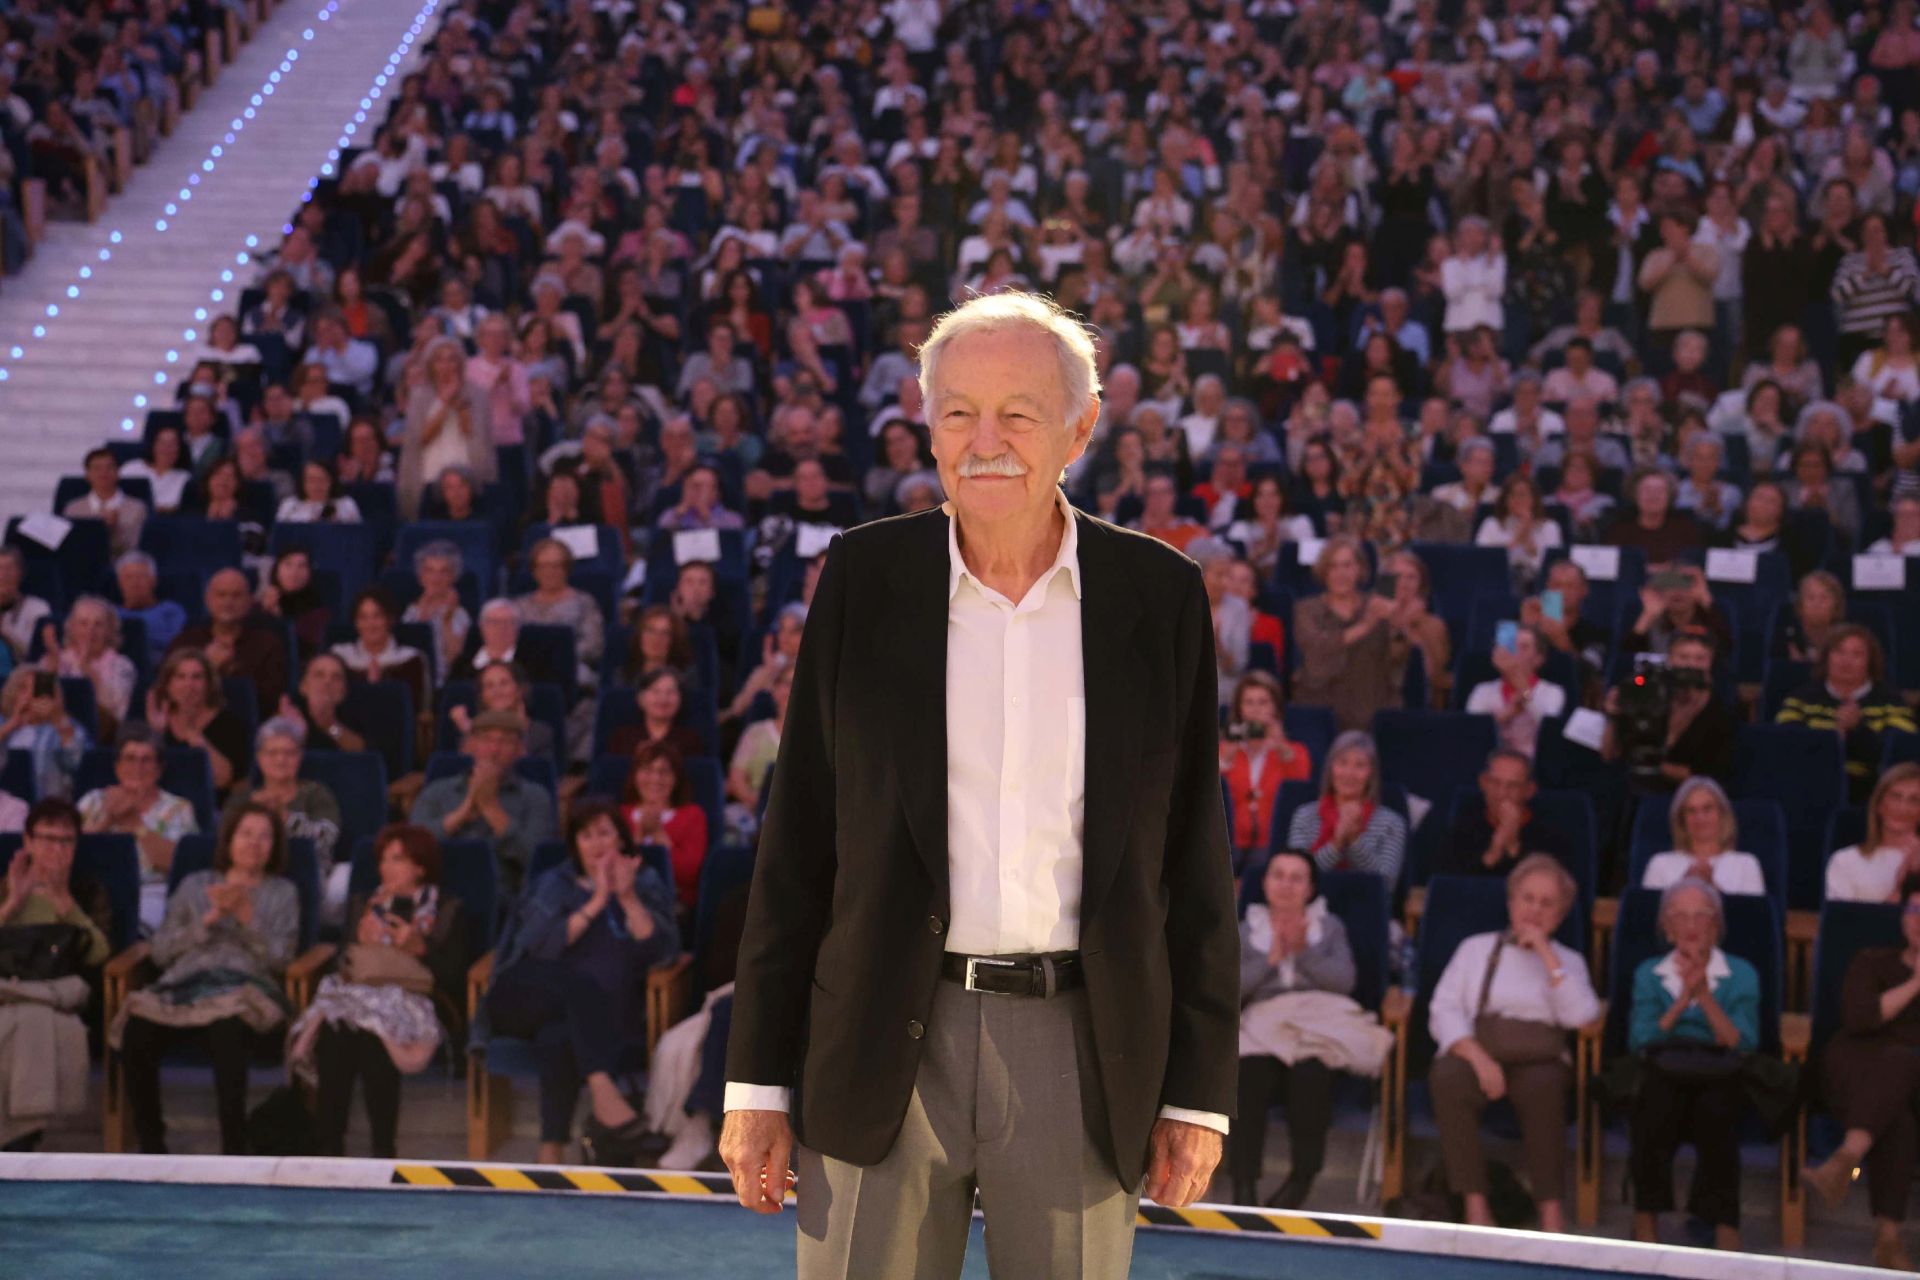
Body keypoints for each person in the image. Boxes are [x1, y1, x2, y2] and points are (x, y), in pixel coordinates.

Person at [722, 293, 1236, 1274]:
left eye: (1019, 412)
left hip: (1082, 1049)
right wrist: (757, 1081)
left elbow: (1193, 860)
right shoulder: (864, 577)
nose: (984, 441)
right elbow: (799, 842)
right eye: (959, 411)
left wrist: (1196, 1092)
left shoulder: (1158, 596)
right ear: (926, 422)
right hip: (877, 1037)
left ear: (1081, 427)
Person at [480, 801, 679, 1165]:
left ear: (622, 838)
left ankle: (550, 1149)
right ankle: (605, 1095)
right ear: (575, 844)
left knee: (557, 1035)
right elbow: (536, 948)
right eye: (586, 835)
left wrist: (625, 896)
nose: (596, 843)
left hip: (592, 1019)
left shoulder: (643, 882)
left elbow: (660, 951)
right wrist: (598, 899)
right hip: (522, 997)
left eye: (604, 832)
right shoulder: (553, 884)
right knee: (577, 984)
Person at [111, 802, 300, 1155]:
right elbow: (161, 952)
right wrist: (207, 921)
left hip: (241, 991)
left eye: (265, 837)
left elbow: (281, 959)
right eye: (246, 834)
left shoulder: (282, 892)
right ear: (229, 840)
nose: (254, 844)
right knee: (136, 1030)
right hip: (183, 988)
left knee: (227, 1031)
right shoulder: (195, 885)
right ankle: (152, 1147)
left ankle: (233, 1152)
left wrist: (247, 919)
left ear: (275, 846)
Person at [1428, 856, 1600, 1231]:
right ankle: (1476, 1206)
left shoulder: (1568, 961)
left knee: (1544, 1088)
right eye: (1527, 899)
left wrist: (1545, 954)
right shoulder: (1475, 949)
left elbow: (1582, 1017)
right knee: (1447, 1076)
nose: (1534, 910)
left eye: (1546, 903)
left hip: (1540, 1058)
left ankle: (1550, 1213)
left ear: (1560, 913)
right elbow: (1443, 1008)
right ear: (1511, 904)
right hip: (1481, 1050)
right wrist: (1476, 1057)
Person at [290, 823, 466, 1160]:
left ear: (420, 866)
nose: (386, 868)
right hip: (363, 995)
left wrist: (420, 948)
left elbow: (454, 977)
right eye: (383, 860)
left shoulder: (446, 909)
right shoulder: (363, 903)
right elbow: (341, 964)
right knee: (336, 1028)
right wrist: (359, 942)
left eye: (397, 859)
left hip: (419, 1000)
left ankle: (383, 1150)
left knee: (376, 1032)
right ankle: (330, 1148)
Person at [1232, 848, 1386, 1209]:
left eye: (1296, 877)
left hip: (1317, 1022)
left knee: (1311, 1078)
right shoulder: (1244, 928)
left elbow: (1345, 982)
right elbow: (1230, 988)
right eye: (1278, 875)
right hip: (1263, 1023)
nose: (1285, 885)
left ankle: (1302, 1179)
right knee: (1247, 1079)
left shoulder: (1329, 927)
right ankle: (1242, 1186)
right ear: (1266, 882)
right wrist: (1270, 960)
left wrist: (1303, 951)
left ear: (1311, 888)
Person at [1627, 878, 1762, 1251]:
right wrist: (1680, 1000)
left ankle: (1724, 1227)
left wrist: (1703, 996)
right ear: (1667, 927)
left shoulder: (1741, 973)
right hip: (1662, 1066)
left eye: (1701, 914)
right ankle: (1645, 1221)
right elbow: (1640, 1040)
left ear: (1716, 925)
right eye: (1680, 915)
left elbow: (1743, 1042)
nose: (1691, 924)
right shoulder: (1648, 973)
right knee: (1654, 1103)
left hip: (1722, 1068)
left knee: (1717, 1106)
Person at [1804, 871, 1920, 1271]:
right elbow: (1860, 1019)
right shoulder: (1872, 960)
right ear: (1904, 916)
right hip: (1852, 1072)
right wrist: (1917, 982)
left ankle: (1844, 1162)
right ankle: (1888, 1238)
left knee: (1903, 1065)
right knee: (1898, 1119)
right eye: (1916, 909)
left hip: (1909, 1080)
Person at [0, 798, 112, 1149]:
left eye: (66, 841)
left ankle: (17, 1145)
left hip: (59, 997)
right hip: (7, 990)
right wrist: (12, 904)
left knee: (33, 1020)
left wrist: (66, 905)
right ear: (28, 842)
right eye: (47, 839)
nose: (56, 849)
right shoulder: (5, 886)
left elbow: (101, 955)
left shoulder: (87, 890)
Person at [409, 710, 556, 895]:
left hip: (504, 895)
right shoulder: (438, 790)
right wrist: (461, 814)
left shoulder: (535, 796)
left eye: (505, 742)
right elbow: (412, 848)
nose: (494, 749)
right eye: (486, 740)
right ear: (470, 746)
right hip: (440, 892)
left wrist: (491, 808)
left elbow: (538, 859)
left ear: (519, 750)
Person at [1776, 624, 1916, 805]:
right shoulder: (1800, 698)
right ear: (1826, 658)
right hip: (1808, 789)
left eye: (1856, 654)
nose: (1846, 661)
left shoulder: (1892, 702)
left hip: (1872, 793)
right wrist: (1833, 740)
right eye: (1839, 652)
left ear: (1870, 662)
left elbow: (1899, 757)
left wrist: (1857, 730)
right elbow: (1785, 748)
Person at [77, 724, 198, 933]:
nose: (138, 767)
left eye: (146, 759)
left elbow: (180, 864)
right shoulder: (92, 801)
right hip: (93, 892)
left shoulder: (179, 808)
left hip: (151, 893)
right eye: (130, 758)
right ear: (117, 766)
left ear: (159, 768)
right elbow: (69, 852)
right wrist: (106, 821)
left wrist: (133, 823)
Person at [221, 718, 344, 916]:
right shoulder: (242, 799)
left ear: (300, 757)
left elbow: (327, 838)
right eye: (272, 753)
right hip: (247, 874)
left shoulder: (316, 794)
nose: (281, 760)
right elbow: (224, 841)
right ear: (259, 758)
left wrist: (286, 818)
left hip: (306, 875)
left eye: (289, 753)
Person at [1291, 535, 1408, 732]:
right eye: (1333, 566)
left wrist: (1397, 626)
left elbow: (1396, 658)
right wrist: (1365, 625)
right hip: (1321, 713)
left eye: (1347, 565)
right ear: (1324, 571)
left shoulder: (1377, 604)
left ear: (1360, 569)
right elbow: (1317, 648)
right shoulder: (1306, 609)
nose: (1340, 574)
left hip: (1371, 711)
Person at [1602, 630, 1737, 792]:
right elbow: (1610, 755)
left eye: (1700, 658)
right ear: (1670, 660)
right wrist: (1612, 717)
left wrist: (1654, 764)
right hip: (1636, 787)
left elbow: (1711, 776)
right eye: (1683, 657)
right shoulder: (1649, 694)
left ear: (1710, 662)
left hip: (1692, 795)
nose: (1691, 665)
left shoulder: (1721, 710)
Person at [1283, 730, 1407, 885]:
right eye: (1342, 763)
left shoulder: (1392, 823)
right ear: (1331, 769)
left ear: (1371, 774)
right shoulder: (1305, 815)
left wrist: (1355, 841)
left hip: (1365, 906)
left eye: (1360, 765)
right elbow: (1296, 877)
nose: (1349, 773)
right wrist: (1336, 845)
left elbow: (1386, 884)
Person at [1219, 671, 1313, 864]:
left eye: (1263, 702)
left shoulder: (1294, 752)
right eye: (1249, 702)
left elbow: (1299, 793)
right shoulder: (1223, 750)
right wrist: (1225, 760)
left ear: (1276, 708)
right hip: (1228, 842)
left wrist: (1281, 748)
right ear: (1239, 708)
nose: (1255, 709)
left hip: (1274, 844)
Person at [397, 335, 495, 520]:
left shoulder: (478, 394)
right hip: (430, 476)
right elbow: (421, 438)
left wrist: (460, 403)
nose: (446, 365)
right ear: (430, 365)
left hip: (465, 478)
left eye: (452, 359)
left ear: (460, 363)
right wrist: (445, 402)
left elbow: (474, 435)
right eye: (439, 359)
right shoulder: (419, 397)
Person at [1437, 749, 1573, 880]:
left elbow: (1548, 890)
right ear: (1483, 783)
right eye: (1495, 783)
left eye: (1513, 786)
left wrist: (1513, 845)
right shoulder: (1461, 831)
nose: (1502, 794)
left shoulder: (1552, 836)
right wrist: (1494, 851)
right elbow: (1452, 889)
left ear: (1529, 790)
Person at [167, 568, 290, 711]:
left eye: (236, 596)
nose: (228, 602)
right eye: (221, 595)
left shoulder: (268, 644)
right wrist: (209, 667)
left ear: (249, 602)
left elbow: (271, 700)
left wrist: (230, 671)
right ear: (207, 600)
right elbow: (167, 691)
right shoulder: (185, 641)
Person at [620, 742, 710, 920]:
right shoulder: (621, 815)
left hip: (674, 904)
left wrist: (657, 834)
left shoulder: (693, 815)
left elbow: (689, 874)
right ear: (635, 776)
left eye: (664, 772)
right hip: (623, 900)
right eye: (647, 770)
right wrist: (639, 834)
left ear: (676, 779)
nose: (655, 779)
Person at [145, 648, 249, 795]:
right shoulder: (155, 720)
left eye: (197, 677)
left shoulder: (229, 723)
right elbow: (142, 776)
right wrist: (156, 734)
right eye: (180, 677)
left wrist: (192, 734)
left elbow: (222, 780)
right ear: (168, 685)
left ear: (208, 684)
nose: (189, 685)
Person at [1641, 778, 1768, 897]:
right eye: (1691, 811)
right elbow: (1648, 917)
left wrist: (1712, 889)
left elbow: (1753, 918)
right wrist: (1683, 887)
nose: (1700, 818)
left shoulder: (1746, 864)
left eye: (1707, 809)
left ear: (1722, 815)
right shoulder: (1660, 864)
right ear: (1682, 821)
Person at [1463, 624, 1567, 760]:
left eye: (1524, 647)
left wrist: (1524, 691)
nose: (1514, 652)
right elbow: (1471, 734)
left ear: (1539, 659)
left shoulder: (1553, 692)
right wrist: (1506, 714)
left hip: (1534, 765)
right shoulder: (1482, 690)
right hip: (1489, 762)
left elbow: (1548, 732)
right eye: (1510, 646)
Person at [515, 538, 604, 693]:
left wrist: (559, 656)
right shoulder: (519, 606)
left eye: (556, 565)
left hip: (572, 667)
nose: (549, 572)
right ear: (534, 570)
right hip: (526, 670)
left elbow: (594, 645)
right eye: (543, 566)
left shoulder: (584, 602)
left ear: (567, 568)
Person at [1826, 764, 1920, 903]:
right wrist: (1906, 882)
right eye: (1895, 797)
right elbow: (1845, 923)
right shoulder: (1845, 861)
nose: (1902, 808)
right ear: (1879, 804)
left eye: (1914, 800)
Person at [330, 588, 430, 716]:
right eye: (363, 617)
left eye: (377, 616)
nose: (370, 624)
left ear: (389, 620)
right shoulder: (339, 657)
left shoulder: (412, 659)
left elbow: (418, 710)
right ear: (356, 623)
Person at [47, 595, 137, 734]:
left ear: (109, 631)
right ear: (72, 628)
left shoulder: (122, 666)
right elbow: (38, 708)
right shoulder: (54, 660)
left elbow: (117, 714)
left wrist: (88, 671)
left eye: (98, 624)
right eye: (83, 623)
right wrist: (49, 674)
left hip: (102, 734)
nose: (90, 631)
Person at [723, 663, 790, 845]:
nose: (792, 690)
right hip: (755, 809)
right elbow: (737, 778)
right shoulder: (755, 732)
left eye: (798, 683)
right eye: (787, 683)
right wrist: (758, 803)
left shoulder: (818, 733)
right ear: (775, 690)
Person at [450, 661, 556, 764]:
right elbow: (466, 772)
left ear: (519, 690)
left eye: (504, 683)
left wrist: (521, 731)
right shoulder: (470, 730)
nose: (497, 691)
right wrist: (469, 732)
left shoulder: (541, 733)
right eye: (489, 686)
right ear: (482, 696)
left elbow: (533, 774)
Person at [400, 540, 472, 681]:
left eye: (443, 571)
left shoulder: (459, 614)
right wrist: (423, 610)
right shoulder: (411, 612)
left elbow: (455, 660)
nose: (436, 578)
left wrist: (447, 620)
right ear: (421, 577)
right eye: (429, 570)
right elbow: (405, 654)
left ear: (453, 577)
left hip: (445, 682)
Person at [63, 447, 147, 557]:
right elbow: (71, 547)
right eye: (97, 468)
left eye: (109, 467)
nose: (104, 473)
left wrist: (114, 529)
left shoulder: (137, 508)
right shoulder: (73, 509)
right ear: (87, 474)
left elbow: (136, 549)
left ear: (118, 472)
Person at [606, 668, 705, 761]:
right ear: (641, 699)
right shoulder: (622, 738)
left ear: (680, 699)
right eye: (655, 691)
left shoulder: (691, 740)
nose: (663, 699)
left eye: (670, 692)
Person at [113, 552, 187, 669]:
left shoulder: (171, 612)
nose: (135, 583)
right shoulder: (110, 614)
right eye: (128, 577)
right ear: (119, 583)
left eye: (141, 576)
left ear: (154, 580)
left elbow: (176, 647)